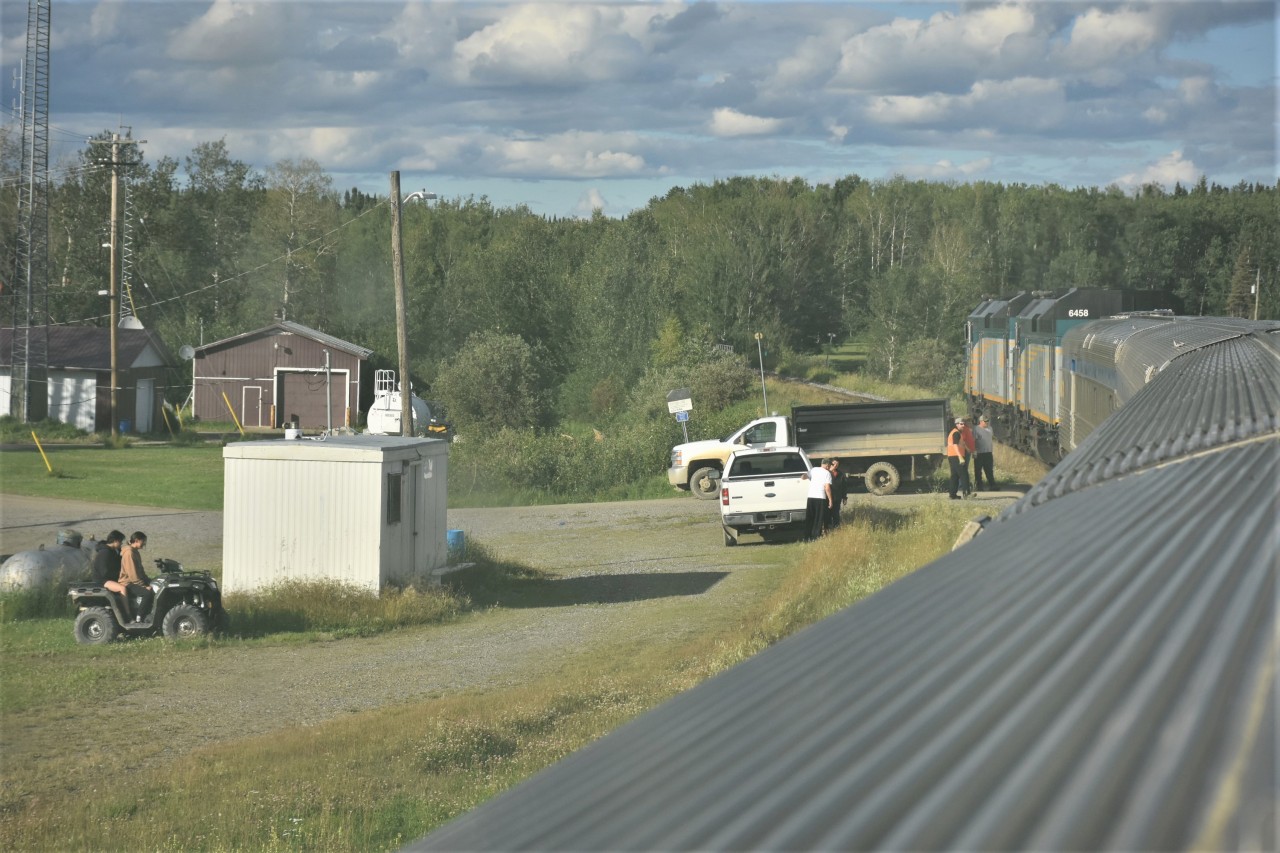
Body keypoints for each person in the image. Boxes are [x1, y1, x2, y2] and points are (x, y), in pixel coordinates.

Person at [117, 531, 153, 622]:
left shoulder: (135, 552)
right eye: (143, 541)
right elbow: (132, 574)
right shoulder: (129, 553)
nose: (144, 543)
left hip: (134, 581)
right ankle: (139, 617)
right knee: (147, 593)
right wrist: (144, 586)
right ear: (136, 540)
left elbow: (140, 570)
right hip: (127, 582)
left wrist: (148, 580)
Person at [802, 458, 834, 541]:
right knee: (818, 518)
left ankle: (806, 537)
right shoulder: (827, 473)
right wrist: (830, 500)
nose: (830, 467)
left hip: (811, 497)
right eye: (830, 465)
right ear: (827, 465)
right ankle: (815, 537)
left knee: (809, 518)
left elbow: (803, 477)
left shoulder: (814, 470)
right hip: (820, 498)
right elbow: (827, 487)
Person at [947, 418, 972, 500]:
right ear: (957, 424)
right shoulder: (956, 433)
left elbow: (961, 444)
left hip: (952, 456)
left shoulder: (956, 433)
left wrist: (968, 449)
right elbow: (955, 445)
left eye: (963, 424)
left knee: (955, 476)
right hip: (956, 456)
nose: (963, 425)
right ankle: (967, 494)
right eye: (961, 424)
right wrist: (960, 457)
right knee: (964, 474)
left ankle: (952, 494)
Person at [973, 415, 996, 491]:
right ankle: (979, 486)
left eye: (987, 421)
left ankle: (992, 485)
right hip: (979, 453)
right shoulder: (976, 429)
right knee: (978, 471)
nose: (987, 423)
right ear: (981, 421)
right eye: (985, 421)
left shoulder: (990, 428)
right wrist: (974, 451)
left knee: (989, 470)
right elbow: (973, 440)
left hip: (988, 452)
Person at [825, 459, 848, 532]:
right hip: (827, 498)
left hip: (837, 498)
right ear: (830, 463)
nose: (835, 465)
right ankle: (827, 530)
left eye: (837, 464)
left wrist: (844, 497)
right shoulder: (826, 472)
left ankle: (836, 530)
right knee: (827, 514)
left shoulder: (840, 474)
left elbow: (844, 487)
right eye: (834, 463)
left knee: (836, 515)